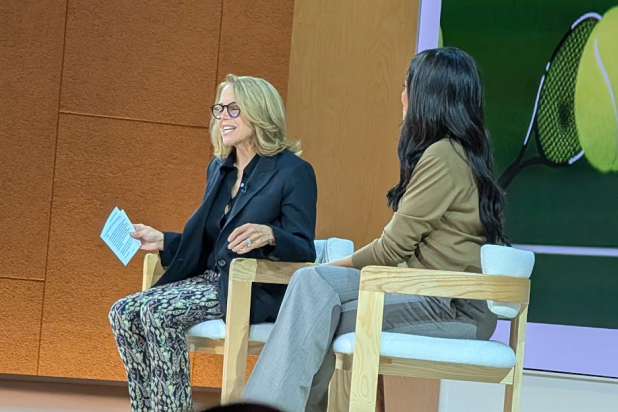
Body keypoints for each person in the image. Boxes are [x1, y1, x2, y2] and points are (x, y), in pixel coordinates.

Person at [241, 47, 508, 412]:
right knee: (313, 293)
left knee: (313, 295)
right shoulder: (455, 153)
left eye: (407, 87)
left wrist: (325, 269)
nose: (402, 96)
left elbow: (390, 250)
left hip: (449, 308)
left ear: (428, 96)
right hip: (425, 293)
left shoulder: (443, 156)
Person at [108, 74, 318, 412]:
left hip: (250, 287)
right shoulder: (220, 168)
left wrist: (271, 235)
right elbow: (212, 242)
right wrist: (163, 241)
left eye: (234, 109)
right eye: (220, 109)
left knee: (156, 312)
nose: (223, 117)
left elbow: (305, 249)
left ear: (260, 113)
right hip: (209, 280)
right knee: (122, 312)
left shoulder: (293, 172)